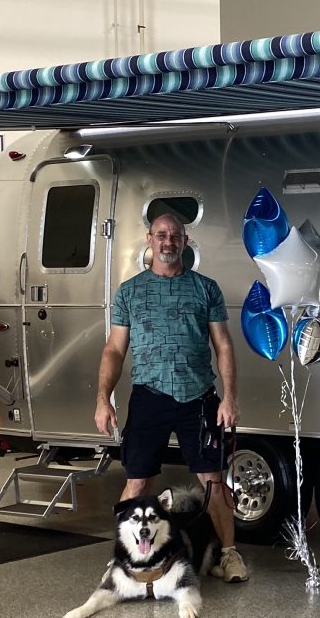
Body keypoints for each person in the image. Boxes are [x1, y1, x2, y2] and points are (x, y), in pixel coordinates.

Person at [94, 213, 248, 583]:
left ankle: (228, 555)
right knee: (137, 481)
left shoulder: (205, 288)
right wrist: (103, 398)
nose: (168, 241)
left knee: (213, 479)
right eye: (161, 235)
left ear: (185, 241)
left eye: (175, 235)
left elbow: (223, 345)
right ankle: (124, 559)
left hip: (198, 397)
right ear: (149, 239)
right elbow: (114, 350)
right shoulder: (129, 292)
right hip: (149, 397)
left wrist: (229, 398)